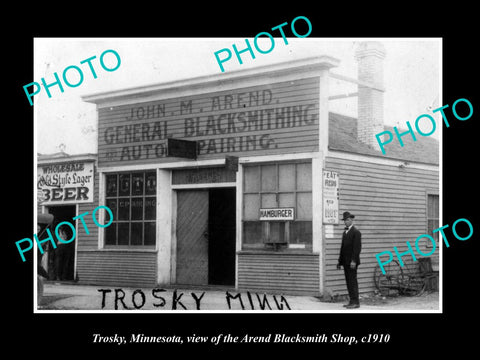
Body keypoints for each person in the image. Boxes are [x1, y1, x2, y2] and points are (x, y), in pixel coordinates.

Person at [337, 211, 362, 309]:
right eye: (344, 220)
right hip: (345, 262)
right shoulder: (345, 232)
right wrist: (339, 261)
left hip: (352, 262)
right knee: (348, 281)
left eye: (347, 220)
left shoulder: (356, 232)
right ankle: (351, 301)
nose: (346, 222)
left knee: (352, 281)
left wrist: (353, 261)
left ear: (352, 220)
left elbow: (357, 249)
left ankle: (356, 302)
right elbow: (342, 248)